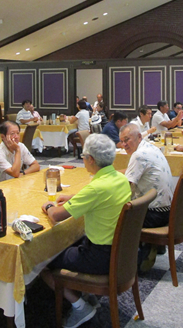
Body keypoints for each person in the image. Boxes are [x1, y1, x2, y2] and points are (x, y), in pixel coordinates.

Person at [40, 134, 130, 328]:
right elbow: (95, 195)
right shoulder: (120, 179)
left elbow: (56, 216)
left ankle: (79, 306)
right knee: (69, 243)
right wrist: (74, 197)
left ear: (90, 159)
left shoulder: (96, 188)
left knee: (42, 260)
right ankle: (87, 295)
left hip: (99, 256)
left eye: (83, 157)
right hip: (121, 252)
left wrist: (48, 206)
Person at [119, 124, 173, 228]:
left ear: (139, 136)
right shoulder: (151, 147)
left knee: (113, 216)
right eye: (121, 141)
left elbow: (126, 186)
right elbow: (132, 171)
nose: (124, 144)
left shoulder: (138, 155)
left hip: (155, 214)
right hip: (168, 210)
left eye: (126, 140)